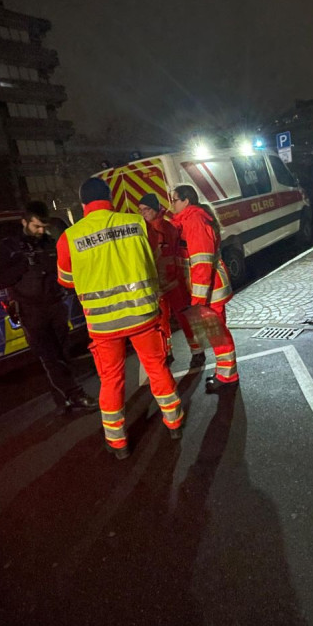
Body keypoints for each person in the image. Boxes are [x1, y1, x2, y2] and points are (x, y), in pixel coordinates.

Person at [56, 177, 184, 459]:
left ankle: (118, 443)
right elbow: (150, 256)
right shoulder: (136, 224)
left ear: (83, 205)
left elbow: (66, 280)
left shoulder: (70, 237)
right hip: (142, 313)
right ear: (110, 199)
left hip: (103, 324)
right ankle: (174, 422)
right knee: (156, 367)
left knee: (111, 380)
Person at [0, 201, 99, 415]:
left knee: (61, 355)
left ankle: (63, 401)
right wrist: (22, 266)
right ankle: (75, 394)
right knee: (50, 357)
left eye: (43, 227)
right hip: (31, 311)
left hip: (55, 307)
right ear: (25, 222)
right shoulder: (9, 247)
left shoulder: (48, 242)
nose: (41, 231)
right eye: (36, 226)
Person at [170, 184, 239, 393]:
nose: (171, 204)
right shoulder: (189, 219)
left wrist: (197, 302)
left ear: (185, 201)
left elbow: (201, 264)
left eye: (174, 200)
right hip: (206, 290)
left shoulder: (195, 221)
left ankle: (227, 378)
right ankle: (225, 373)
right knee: (215, 333)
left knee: (216, 333)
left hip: (209, 291)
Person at [137, 192, 202, 367]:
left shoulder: (161, 228)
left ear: (155, 208)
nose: (143, 213)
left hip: (170, 282)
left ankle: (193, 351)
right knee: (166, 321)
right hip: (165, 283)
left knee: (176, 318)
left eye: (146, 209)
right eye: (141, 210)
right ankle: (177, 351)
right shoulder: (154, 228)